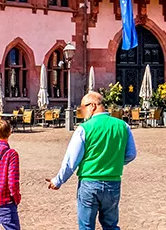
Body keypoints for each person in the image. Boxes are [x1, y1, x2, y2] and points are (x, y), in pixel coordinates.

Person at [48, 91, 138, 230]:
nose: (82, 112)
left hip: (89, 183)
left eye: (83, 108)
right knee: (111, 226)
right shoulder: (123, 126)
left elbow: (71, 160)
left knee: (86, 227)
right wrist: (115, 161)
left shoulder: (84, 129)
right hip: (113, 182)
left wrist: (58, 180)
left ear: (93, 106)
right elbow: (131, 154)